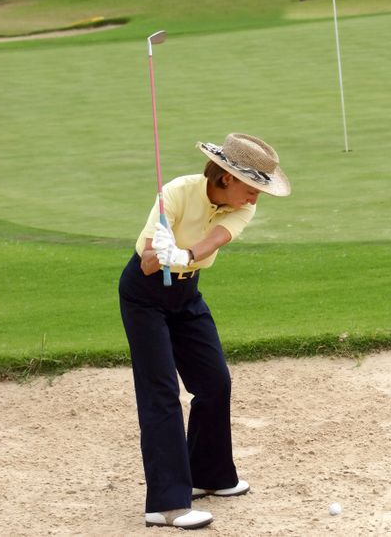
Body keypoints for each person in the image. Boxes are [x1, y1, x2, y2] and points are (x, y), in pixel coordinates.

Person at [119, 132, 291, 530]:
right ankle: (165, 504)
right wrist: (157, 251)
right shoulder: (177, 192)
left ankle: (208, 476)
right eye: (252, 188)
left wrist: (183, 254)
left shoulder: (241, 209)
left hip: (186, 293)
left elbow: (215, 239)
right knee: (161, 392)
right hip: (144, 298)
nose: (255, 198)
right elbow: (147, 264)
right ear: (227, 178)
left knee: (215, 382)